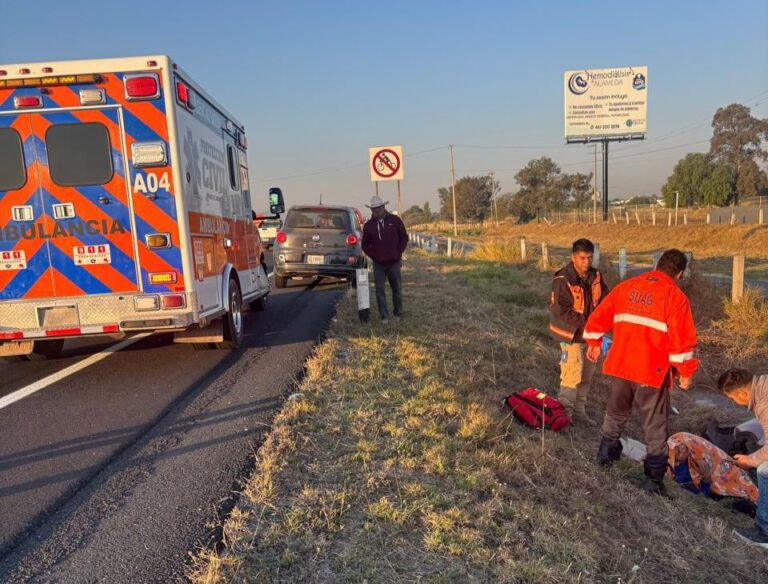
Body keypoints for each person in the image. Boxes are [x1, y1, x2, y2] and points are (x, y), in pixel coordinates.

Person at [584, 249, 698, 495]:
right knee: (655, 426)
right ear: (680, 273)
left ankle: (604, 457)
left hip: (621, 366)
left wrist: (594, 343)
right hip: (652, 373)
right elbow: (682, 344)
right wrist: (685, 374)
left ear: (657, 265)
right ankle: (653, 482)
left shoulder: (626, 288)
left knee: (615, 414)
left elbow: (596, 319)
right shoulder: (675, 298)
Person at [548, 238, 608, 425]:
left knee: (587, 375)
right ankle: (563, 414)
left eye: (590, 257)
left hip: (590, 335)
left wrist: (603, 325)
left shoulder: (596, 277)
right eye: (582, 258)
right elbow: (562, 312)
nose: (587, 262)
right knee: (572, 374)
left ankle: (579, 412)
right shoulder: (562, 280)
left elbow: (606, 302)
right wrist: (591, 323)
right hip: (570, 334)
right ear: (573, 257)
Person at [717, 368, 768, 548]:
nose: (735, 402)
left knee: (764, 470)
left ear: (743, 393)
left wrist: (750, 460)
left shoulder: (764, 404)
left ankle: (764, 532)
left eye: (733, 399)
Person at [361, 195, 409, 323]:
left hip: (394, 262)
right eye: (373, 209)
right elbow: (365, 244)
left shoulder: (395, 220)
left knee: (396, 289)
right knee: (379, 290)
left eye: (378, 208)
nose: (376, 211)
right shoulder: (368, 226)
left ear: (383, 207)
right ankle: (384, 316)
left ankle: (397, 313)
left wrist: (398, 252)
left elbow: (404, 237)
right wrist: (375, 255)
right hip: (379, 264)